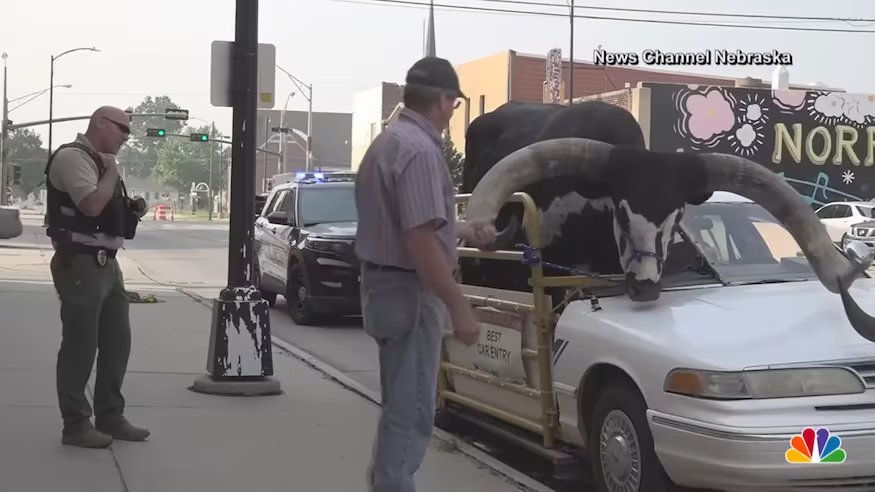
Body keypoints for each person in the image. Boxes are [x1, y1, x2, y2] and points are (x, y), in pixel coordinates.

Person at [354, 56, 496, 491]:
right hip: (409, 293)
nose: (453, 112)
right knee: (411, 410)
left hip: (385, 288)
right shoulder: (419, 150)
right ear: (442, 101)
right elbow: (418, 242)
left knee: (402, 401)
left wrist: (462, 230)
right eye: (454, 104)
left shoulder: (388, 143)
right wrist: (460, 307)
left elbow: (412, 226)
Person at [45, 106, 149, 448]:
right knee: (80, 345)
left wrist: (130, 208)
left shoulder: (98, 161)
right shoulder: (73, 158)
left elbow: (104, 209)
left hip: (106, 263)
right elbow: (90, 206)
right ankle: (75, 424)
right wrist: (111, 172)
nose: (125, 137)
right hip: (80, 263)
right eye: (123, 129)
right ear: (101, 123)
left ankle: (110, 416)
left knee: (118, 342)